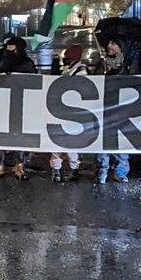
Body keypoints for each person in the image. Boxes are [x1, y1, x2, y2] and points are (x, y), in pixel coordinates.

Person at [0, 36, 37, 180]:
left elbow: (33, 81)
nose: (7, 50)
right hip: (1, 103)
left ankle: (20, 165)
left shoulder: (26, 63)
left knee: (20, 133)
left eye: (11, 48)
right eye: (6, 47)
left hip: (21, 104)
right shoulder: (1, 58)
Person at [49, 44, 87, 182]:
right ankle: (56, 169)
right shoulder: (68, 68)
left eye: (68, 58)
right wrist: (55, 65)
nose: (65, 60)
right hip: (60, 110)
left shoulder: (81, 71)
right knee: (56, 142)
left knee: (71, 144)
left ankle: (73, 169)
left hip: (74, 113)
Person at [96, 37, 130, 184]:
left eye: (113, 42)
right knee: (103, 141)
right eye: (109, 42)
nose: (109, 45)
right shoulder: (102, 62)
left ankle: (121, 172)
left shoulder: (128, 63)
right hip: (104, 108)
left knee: (122, 141)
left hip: (123, 108)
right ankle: (102, 172)